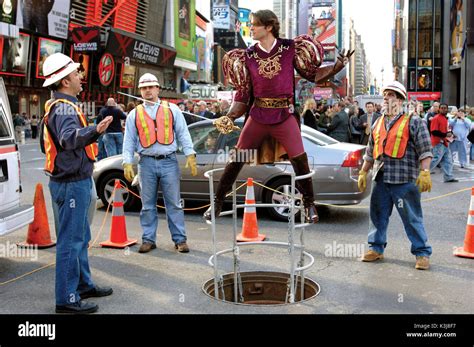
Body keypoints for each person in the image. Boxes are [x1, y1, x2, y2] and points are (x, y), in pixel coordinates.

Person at [206, 9, 352, 223]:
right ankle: (217, 202)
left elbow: (312, 74)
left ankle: (309, 203)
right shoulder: (247, 55)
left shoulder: (290, 48)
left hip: (284, 115)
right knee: (237, 158)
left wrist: (337, 66)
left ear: (268, 27)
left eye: (255, 24)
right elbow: (243, 94)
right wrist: (229, 116)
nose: (251, 28)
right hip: (257, 115)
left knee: (299, 159)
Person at [41, 53, 114, 313]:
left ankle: (83, 284)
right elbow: (69, 139)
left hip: (73, 181)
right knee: (71, 241)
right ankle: (67, 299)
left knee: (79, 237)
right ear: (64, 81)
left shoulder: (61, 105)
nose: (80, 77)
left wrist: (94, 129)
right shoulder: (62, 108)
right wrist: (96, 130)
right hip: (72, 184)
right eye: (75, 74)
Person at [357, 81, 433, 270]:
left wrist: (425, 172)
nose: (386, 98)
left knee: (412, 218)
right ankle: (376, 248)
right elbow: (370, 151)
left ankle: (422, 253)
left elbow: (425, 150)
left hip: (405, 179)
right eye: (385, 95)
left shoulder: (413, 121)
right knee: (377, 215)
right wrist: (363, 172)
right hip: (381, 178)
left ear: (400, 100)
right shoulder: (378, 122)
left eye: (390, 95)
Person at [122, 73, 197, 254]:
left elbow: (182, 132)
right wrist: (127, 162)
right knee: (147, 205)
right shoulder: (134, 114)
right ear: (140, 91)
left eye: (151, 87)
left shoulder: (172, 109)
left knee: (174, 204)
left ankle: (180, 240)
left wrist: (190, 154)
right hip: (145, 162)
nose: (148, 91)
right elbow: (129, 140)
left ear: (157, 89)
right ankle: (148, 239)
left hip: (168, 161)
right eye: (144, 88)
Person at [429, 103, 458, 182]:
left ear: (447, 109)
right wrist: (446, 134)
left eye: (445, 108)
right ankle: (422, 173)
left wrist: (451, 134)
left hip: (444, 142)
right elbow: (434, 131)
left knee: (448, 160)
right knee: (436, 159)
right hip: (438, 142)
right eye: (442, 108)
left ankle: (448, 176)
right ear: (439, 109)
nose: (443, 109)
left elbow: (445, 130)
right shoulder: (436, 118)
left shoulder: (444, 118)